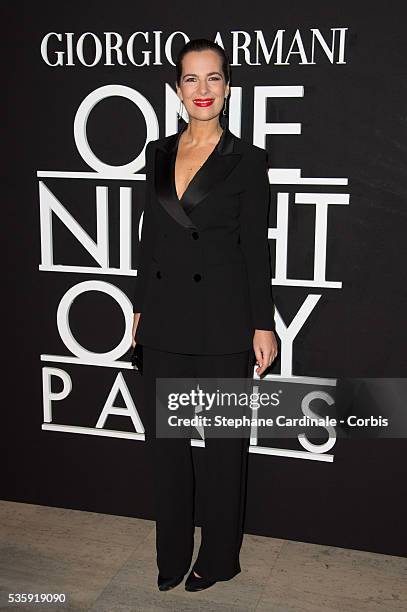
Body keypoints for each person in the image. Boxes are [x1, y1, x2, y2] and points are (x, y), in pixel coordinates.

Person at [131, 38, 278, 592]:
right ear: (176, 90)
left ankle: (220, 557)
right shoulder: (157, 153)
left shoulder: (248, 159)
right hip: (165, 318)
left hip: (223, 322)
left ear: (228, 88)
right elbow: (151, 241)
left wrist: (262, 324)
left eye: (213, 78)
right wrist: (140, 304)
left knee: (222, 452)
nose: (202, 90)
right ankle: (171, 552)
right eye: (191, 79)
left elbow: (253, 251)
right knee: (166, 450)